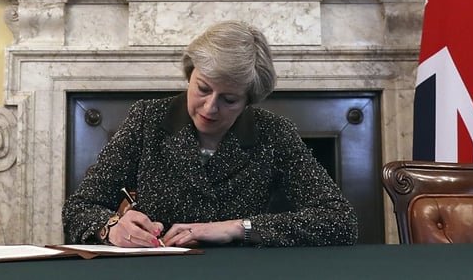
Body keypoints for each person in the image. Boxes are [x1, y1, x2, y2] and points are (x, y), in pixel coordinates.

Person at [62, 20, 358, 248]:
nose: (210, 107)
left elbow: (340, 220)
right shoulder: (147, 120)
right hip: (158, 270)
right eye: (202, 88)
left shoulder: (274, 133)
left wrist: (237, 228)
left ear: (248, 100)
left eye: (229, 100)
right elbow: (79, 208)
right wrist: (111, 227)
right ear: (190, 73)